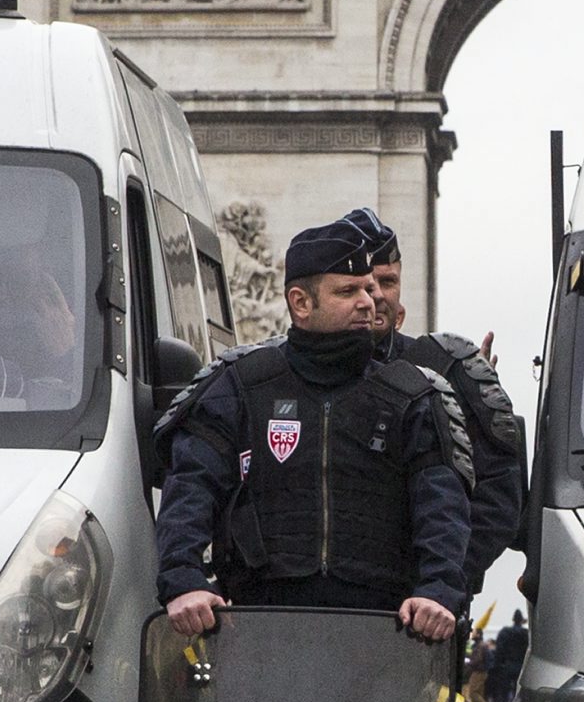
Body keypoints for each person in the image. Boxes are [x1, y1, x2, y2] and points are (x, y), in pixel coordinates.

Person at [152, 212, 472, 646]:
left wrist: (438, 592)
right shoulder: (239, 386)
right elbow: (191, 485)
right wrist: (183, 578)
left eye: (368, 288)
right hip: (257, 630)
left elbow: (443, 508)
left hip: (385, 641)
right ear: (301, 302)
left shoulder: (412, 397)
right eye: (347, 291)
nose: (368, 302)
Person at [352, 209, 527, 702]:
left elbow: (501, 495)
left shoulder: (448, 368)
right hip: (328, 613)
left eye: (388, 282)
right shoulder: (281, 376)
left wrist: (448, 578)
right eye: (362, 280)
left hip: (425, 615)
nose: (374, 295)